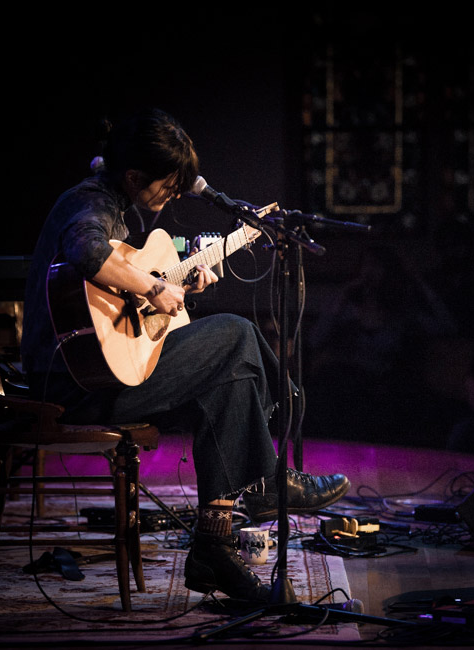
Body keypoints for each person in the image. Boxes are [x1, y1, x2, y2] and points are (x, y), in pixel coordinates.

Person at [20, 108, 350, 603]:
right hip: (75, 387)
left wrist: (177, 277)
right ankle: (265, 478)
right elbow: (87, 253)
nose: (175, 194)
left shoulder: (117, 206)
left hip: (100, 377)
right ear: (134, 176)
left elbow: (119, 301)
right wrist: (154, 288)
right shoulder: (89, 202)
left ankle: (213, 548)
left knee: (231, 379)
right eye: (168, 185)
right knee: (237, 334)